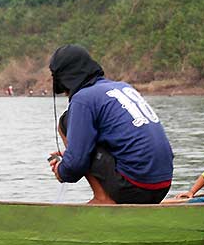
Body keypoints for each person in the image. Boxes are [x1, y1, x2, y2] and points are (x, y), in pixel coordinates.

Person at [47, 44, 174, 204]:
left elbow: (75, 167)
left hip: (134, 187)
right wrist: (72, 154)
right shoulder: (123, 87)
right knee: (81, 146)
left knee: (65, 122)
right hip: (162, 185)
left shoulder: (83, 98)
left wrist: (61, 170)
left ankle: (102, 199)